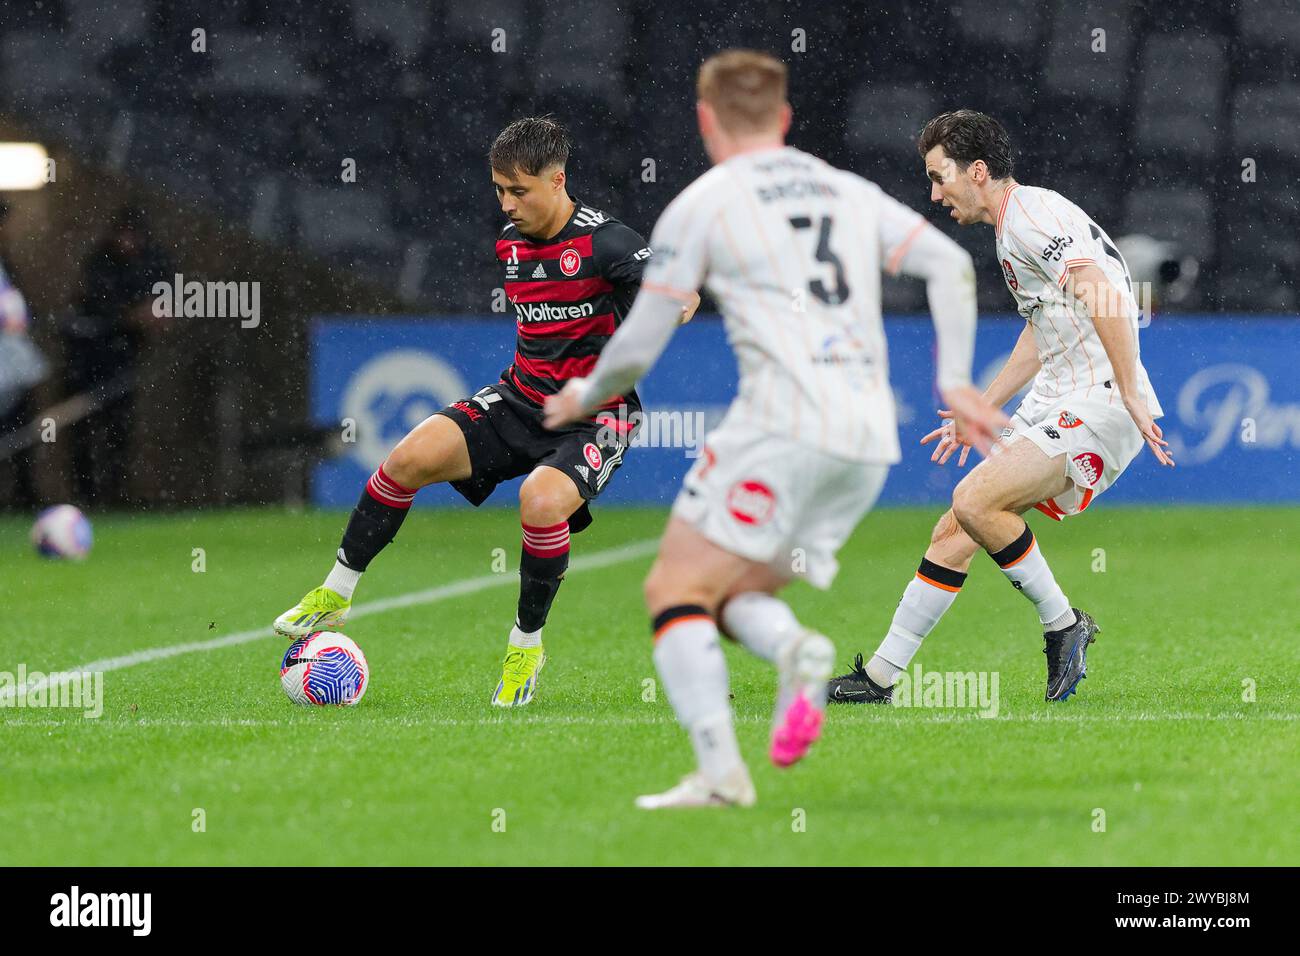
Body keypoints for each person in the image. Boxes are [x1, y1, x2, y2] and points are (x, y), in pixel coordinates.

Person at [544, 52, 1004, 808]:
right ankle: (794, 650)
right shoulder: (846, 191)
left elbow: (640, 337)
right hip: (864, 440)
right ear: (784, 118)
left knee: (671, 588)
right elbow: (951, 267)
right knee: (725, 593)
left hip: (781, 425)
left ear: (704, 119)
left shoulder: (702, 204)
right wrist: (953, 378)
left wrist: (584, 393)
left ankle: (724, 772)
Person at [274, 116, 698, 707]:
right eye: (499, 189)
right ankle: (337, 591)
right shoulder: (511, 243)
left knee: (541, 501)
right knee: (408, 457)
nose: (507, 203)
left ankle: (525, 645)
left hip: (598, 416)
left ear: (558, 181)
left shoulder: (609, 244)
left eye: (518, 190)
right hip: (520, 399)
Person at [829, 110, 1172, 706]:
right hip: (1063, 397)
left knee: (974, 500)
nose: (934, 193)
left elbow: (1107, 296)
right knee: (956, 528)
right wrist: (980, 407)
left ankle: (1064, 624)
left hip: (1100, 401)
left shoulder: (1033, 218)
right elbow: (1043, 331)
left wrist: (1133, 394)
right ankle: (880, 678)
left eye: (939, 177)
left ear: (978, 171)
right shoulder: (1014, 225)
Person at [69, 205, 172, 506]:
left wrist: (157, 316)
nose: (128, 242)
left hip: (123, 360)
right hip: (87, 359)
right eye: (123, 235)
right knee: (82, 432)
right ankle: (85, 498)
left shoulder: (151, 263)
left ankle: (115, 495)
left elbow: (164, 307)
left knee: (119, 430)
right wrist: (134, 315)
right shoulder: (100, 263)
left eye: (133, 236)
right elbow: (99, 309)